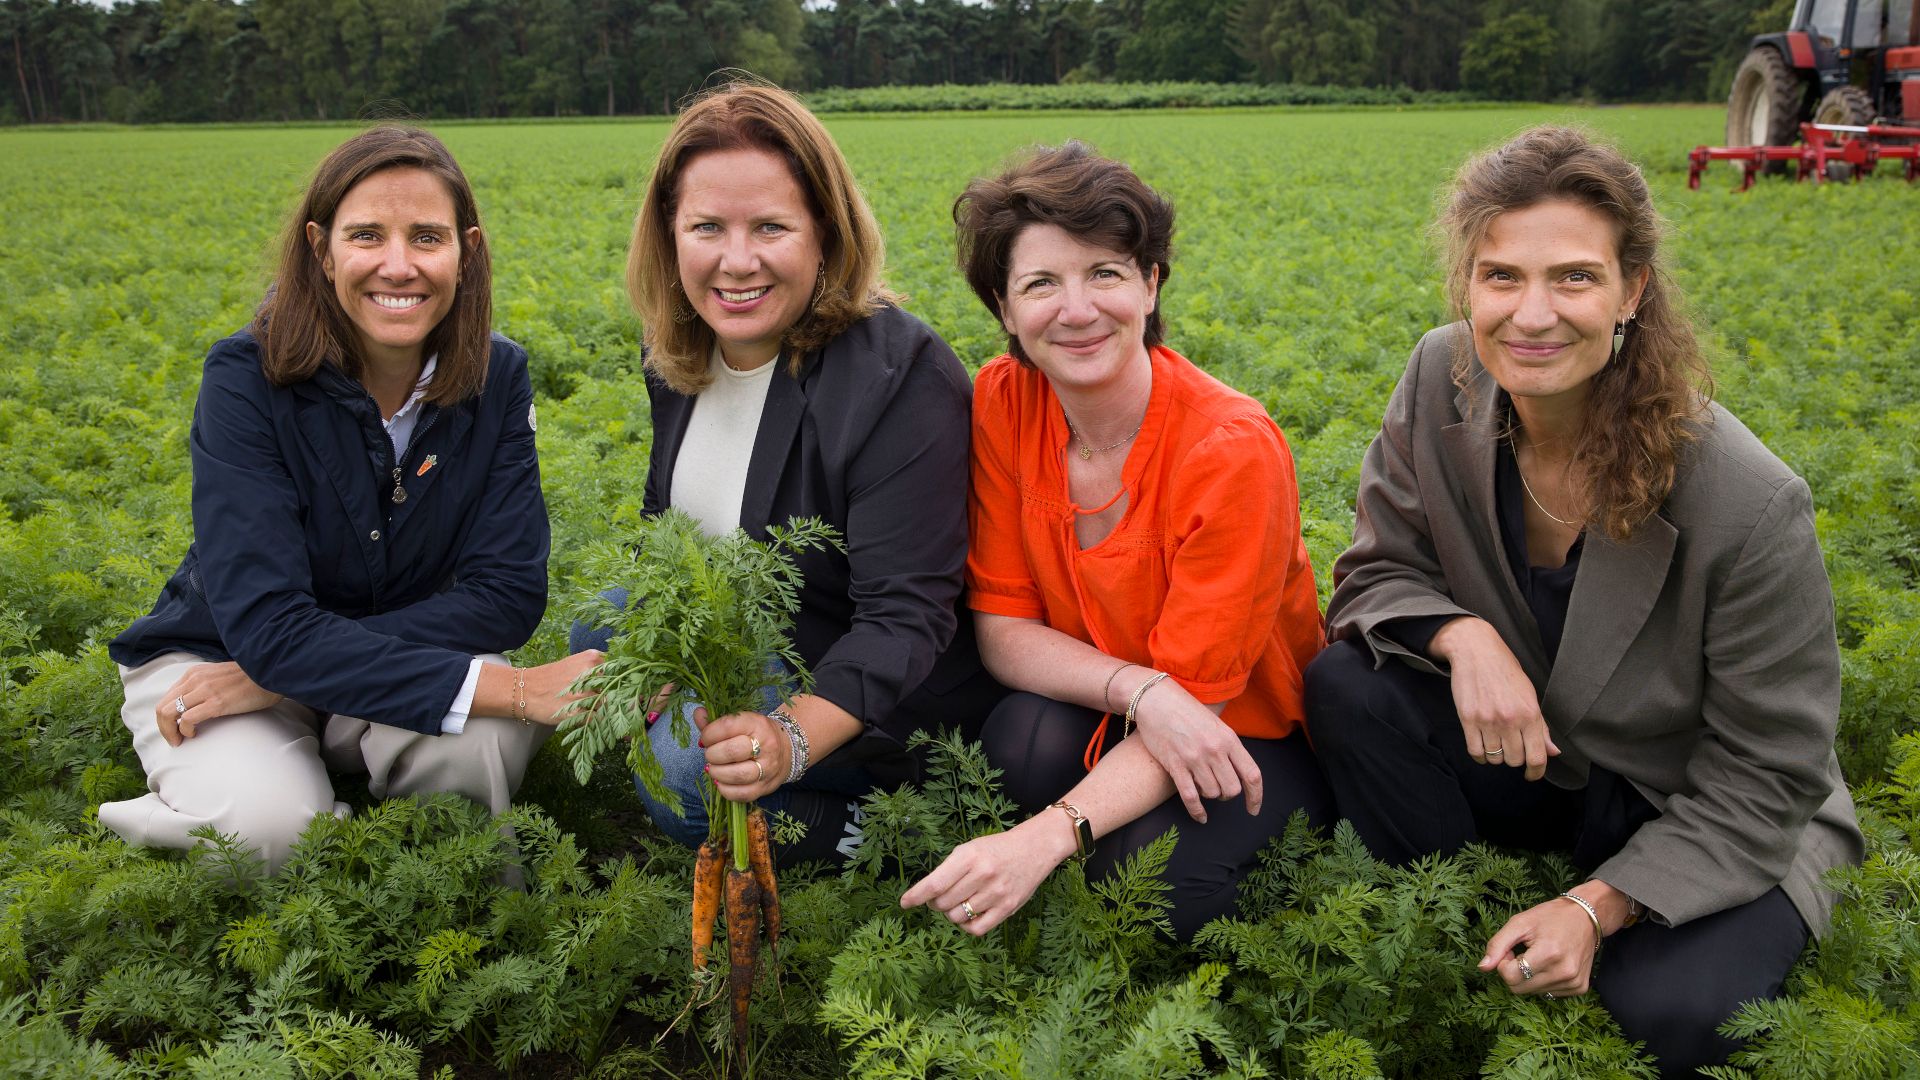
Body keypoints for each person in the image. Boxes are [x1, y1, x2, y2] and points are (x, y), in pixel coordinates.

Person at [1304, 126, 1864, 1076]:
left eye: (1573, 277)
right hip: (1548, 763)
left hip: (1694, 794)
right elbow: (1374, 573)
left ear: (1631, 292)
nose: (1532, 315)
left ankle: (1585, 909)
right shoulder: (1438, 377)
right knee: (1346, 687)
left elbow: (1769, 770)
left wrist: (1597, 905)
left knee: (1671, 1015)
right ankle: (1463, 907)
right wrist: (1461, 633)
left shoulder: (1749, 500)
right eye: (1501, 277)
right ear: (1468, 287)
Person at [100, 126, 601, 874]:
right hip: (217, 657)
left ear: (467, 251)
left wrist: (290, 665)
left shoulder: (498, 378)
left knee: (482, 749)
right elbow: (265, 626)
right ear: (320, 248)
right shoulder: (246, 379)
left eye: (426, 237)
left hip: (278, 664)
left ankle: (359, 797)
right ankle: (206, 802)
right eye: (367, 234)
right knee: (269, 832)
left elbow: (507, 597)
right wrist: (521, 688)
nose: (398, 265)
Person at [900, 142, 1332, 941]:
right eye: (1041, 283)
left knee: (1153, 887)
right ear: (1003, 306)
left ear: (1150, 282)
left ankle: (1307, 865)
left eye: (1104, 272)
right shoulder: (1005, 401)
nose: (1076, 309)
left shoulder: (1230, 448)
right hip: (1140, 699)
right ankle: (1077, 825)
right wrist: (1143, 692)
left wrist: (1042, 838)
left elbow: (1202, 699)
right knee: (1016, 745)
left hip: (1245, 727)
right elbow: (1002, 631)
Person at [573, 83, 1002, 866]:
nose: (737, 261)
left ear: (825, 235)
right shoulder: (676, 349)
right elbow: (668, 527)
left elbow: (905, 618)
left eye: (771, 226)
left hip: (867, 671)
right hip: (748, 624)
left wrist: (788, 739)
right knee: (596, 629)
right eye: (707, 226)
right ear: (670, 235)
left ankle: (889, 838)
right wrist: (665, 644)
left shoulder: (898, 375)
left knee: (685, 778)